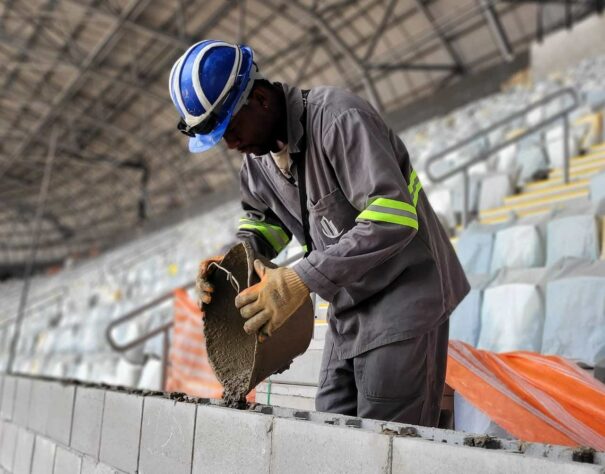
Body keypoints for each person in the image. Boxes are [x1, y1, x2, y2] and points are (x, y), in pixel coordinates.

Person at [169, 39, 469, 426]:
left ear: (260, 99)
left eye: (230, 128)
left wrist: (300, 278)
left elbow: (393, 217)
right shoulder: (257, 161)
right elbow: (264, 225)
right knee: (329, 427)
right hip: (348, 309)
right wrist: (230, 262)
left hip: (404, 299)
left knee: (385, 441)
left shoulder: (339, 119)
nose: (230, 144)